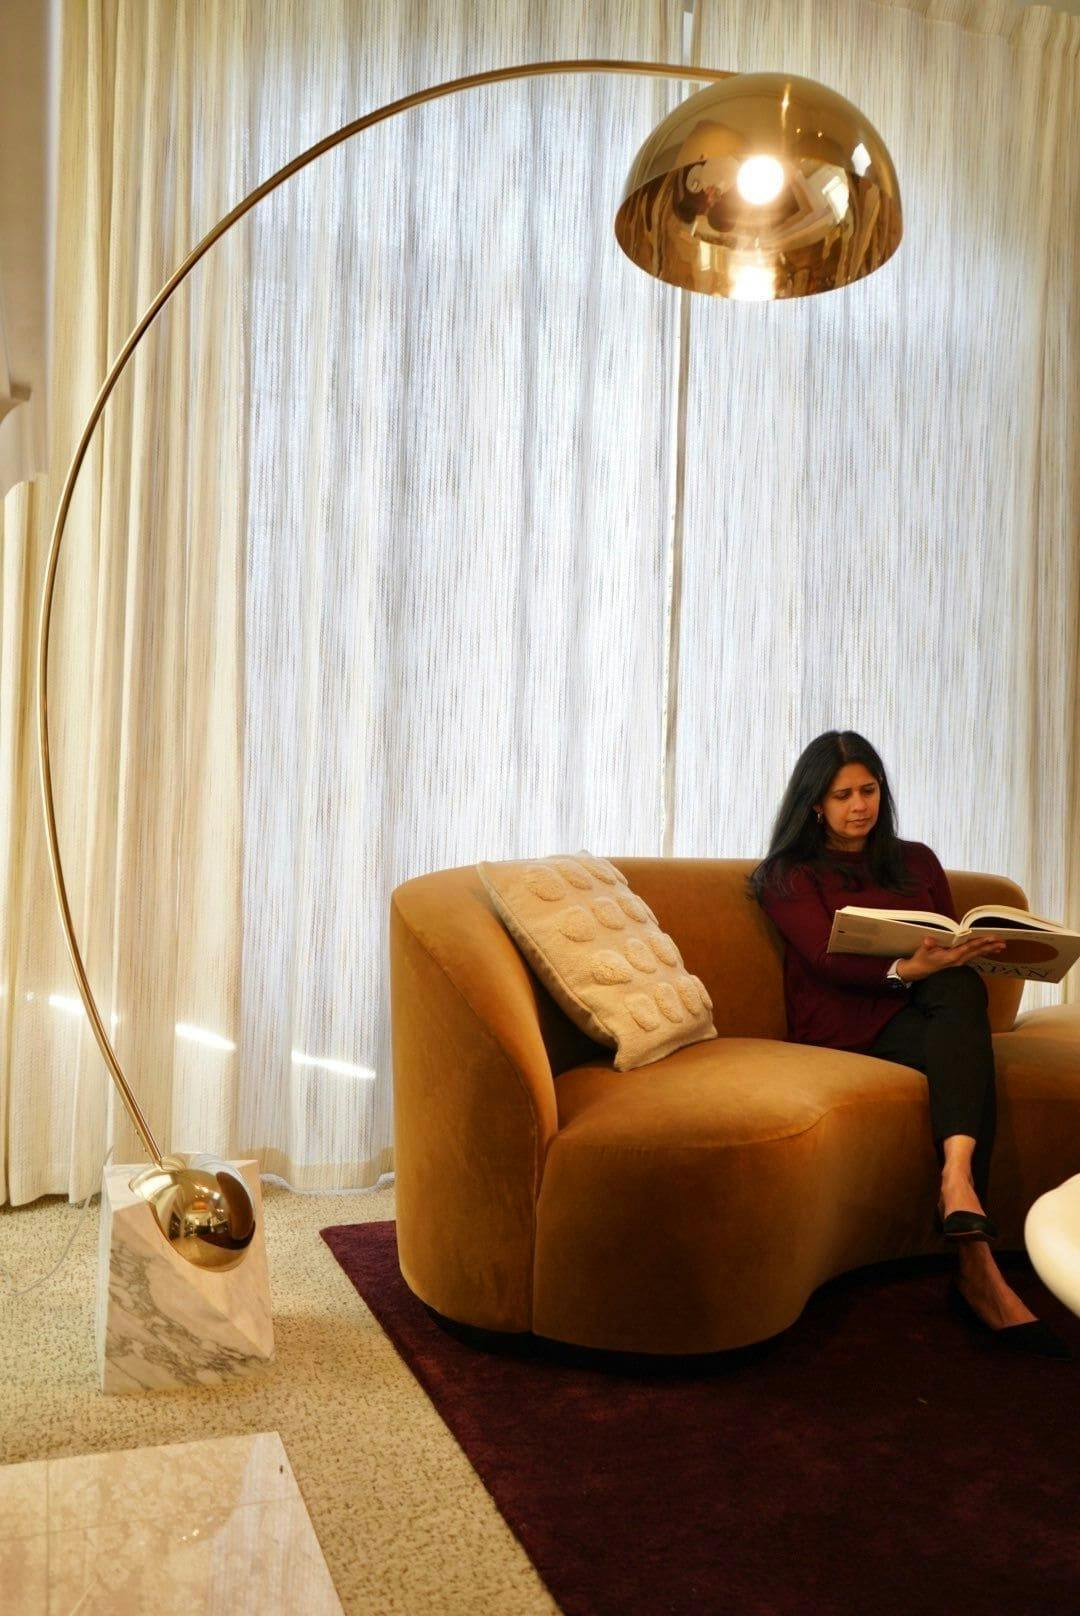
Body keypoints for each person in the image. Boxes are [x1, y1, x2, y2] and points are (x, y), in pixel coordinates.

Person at [748, 729, 1069, 1357]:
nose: (859, 806)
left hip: (921, 1012)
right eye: (842, 795)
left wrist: (961, 953)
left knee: (960, 995)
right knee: (961, 1029)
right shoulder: (787, 874)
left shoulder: (916, 860)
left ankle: (958, 1187)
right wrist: (906, 970)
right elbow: (821, 960)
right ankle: (976, 1265)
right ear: (815, 803)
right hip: (841, 1022)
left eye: (868, 790)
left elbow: (946, 937)